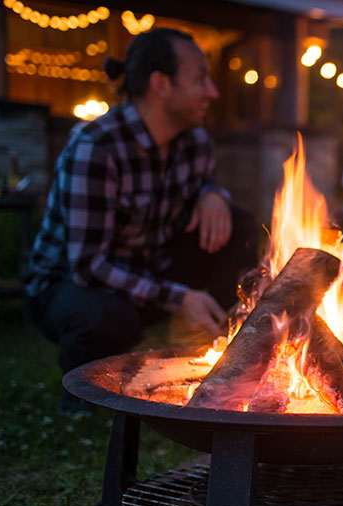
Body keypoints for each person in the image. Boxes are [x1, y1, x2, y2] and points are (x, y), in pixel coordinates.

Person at [25, 28, 258, 413]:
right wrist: (179, 296)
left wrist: (212, 193)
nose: (213, 92)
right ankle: (83, 394)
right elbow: (88, 266)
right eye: (200, 78)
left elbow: (203, 189)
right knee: (108, 317)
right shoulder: (96, 148)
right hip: (68, 285)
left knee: (240, 225)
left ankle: (216, 351)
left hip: (148, 271)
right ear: (161, 85)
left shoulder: (195, 142)